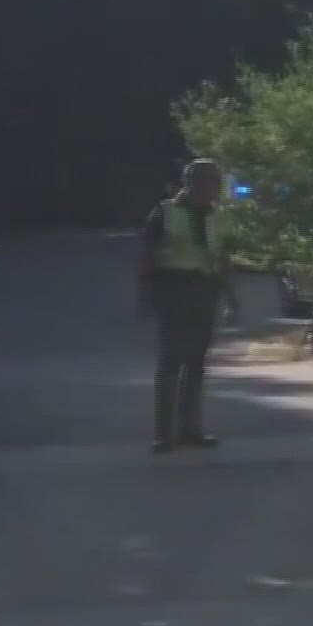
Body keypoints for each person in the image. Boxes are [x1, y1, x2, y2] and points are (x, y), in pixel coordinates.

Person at [136, 159, 239, 453]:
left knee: (196, 362)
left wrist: (230, 298)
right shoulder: (165, 212)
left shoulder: (219, 217)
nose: (212, 190)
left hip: (204, 291)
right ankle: (163, 433)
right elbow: (146, 255)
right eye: (207, 183)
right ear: (190, 184)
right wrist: (144, 296)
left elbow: (223, 261)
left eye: (216, 183)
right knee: (170, 361)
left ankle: (190, 429)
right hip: (173, 289)